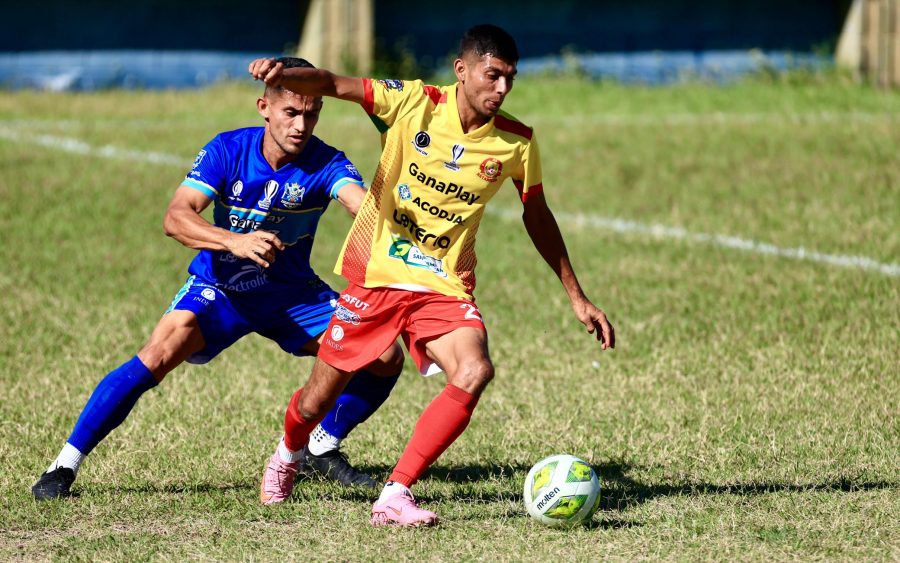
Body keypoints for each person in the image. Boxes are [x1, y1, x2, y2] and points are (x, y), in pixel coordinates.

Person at [250, 24, 615, 526]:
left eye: (510, 79)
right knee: (317, 397)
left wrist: (577, 296)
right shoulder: (412, 103)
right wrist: (283, 73)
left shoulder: (517, 142)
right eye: (493, 76)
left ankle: (395, 494)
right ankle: (287, 454)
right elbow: (334, 83)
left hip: (443, 284)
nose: (502, 89)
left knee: (474, 369)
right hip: (380, 273)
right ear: (461, 71)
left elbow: (538, 216)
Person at [31, 57, 404, 502]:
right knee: (158, 353)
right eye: (291, 113)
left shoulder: (327, 162)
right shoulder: (227, 150)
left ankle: (322, 446)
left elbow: (360, 205)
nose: (302, 124)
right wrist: (234, 242)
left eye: (312, 113)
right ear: (264, 107)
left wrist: (391, 219)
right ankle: (63, 466)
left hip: (291, 295)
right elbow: (176, 217)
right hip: (221, 290)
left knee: (383, 355)